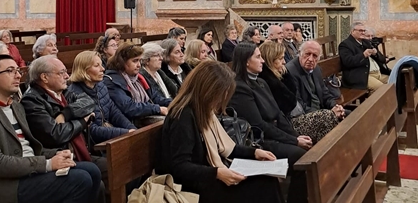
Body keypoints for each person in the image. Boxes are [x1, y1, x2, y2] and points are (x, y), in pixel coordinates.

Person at [0, 54, 102, 203]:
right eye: (10, 71)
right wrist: (48, 164)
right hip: (1, 185)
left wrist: (59, 154)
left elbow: (32, 148)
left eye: (18, 71)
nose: (17, 76)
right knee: (80, 180)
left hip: (26, 173)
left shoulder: (16, 106)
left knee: (92, 170)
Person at [156, 60, 283, 203]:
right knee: (263, 186)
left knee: (267, 180)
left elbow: (225, 148)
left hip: (208, 177)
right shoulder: (183, 116)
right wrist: (216, 173)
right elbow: (179, 166)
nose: (222, 99)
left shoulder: (203, 110)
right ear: (208, 91)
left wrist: (254, 153)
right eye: (221, 94)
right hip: (193, 187)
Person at [228, 42, 309, 203]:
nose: (263, 61)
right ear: (246, 61)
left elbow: (279, 114)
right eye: (258, 57)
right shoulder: (239, 87)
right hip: (259, 141)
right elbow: (258, 124)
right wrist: (293, 141)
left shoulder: (261, 82)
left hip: (273, 132)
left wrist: (296, 136)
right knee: (301, 157)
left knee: (306, 149)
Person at [21, 55, 94, 161]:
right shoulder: (32, 100)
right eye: (61, 73)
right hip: (60, 157)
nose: (67, 76)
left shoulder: (63, 91)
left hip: (81, 151)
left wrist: (66, 114)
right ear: (44, 77)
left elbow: (88, 102)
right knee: (97, 170)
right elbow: (55, 134)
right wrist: (82, 122)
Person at [68, 51, 136, 145]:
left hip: (108, 135)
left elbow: (113, 111)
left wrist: (132, 129)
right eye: (97, 66)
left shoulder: (101, 86)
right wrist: (124, 133)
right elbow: (91, 130)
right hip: (93, 144)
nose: (103, 69)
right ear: (84, 70)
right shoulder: (74, 94)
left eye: (101, 65)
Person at [286, 41, 343, 143]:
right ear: (299, 53)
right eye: (307, 54)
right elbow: (298, 105)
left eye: (315, 56)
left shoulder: (316, 69)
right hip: (301, 117)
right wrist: (328, 113)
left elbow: (325, 93)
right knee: (330, 119)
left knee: (349, 115)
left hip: (321, 111)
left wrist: (335, 106)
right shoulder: (290, 71)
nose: (311, 59)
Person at [103, 43, 169, 122]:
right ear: (122, 62)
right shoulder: (112, 81)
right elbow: (129, 108)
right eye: (135, 61)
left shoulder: (139, 77)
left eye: (140, 61)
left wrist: (176, 102)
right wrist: (157, 109)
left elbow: (155, 97)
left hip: (144, 119)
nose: (139, 65)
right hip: (130, 124)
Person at [338, 22, 388, 93]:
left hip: (376, 74)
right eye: (360, 31)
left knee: (394, 81)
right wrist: (363, 55)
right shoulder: (345, 45)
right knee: (382, 89)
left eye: (364, 31)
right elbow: (347, 62)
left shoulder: (366, 42)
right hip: (360, 77)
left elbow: (382, 59)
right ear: (352, 31)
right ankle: (371, 104)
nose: (363, 33)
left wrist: (376, 53)